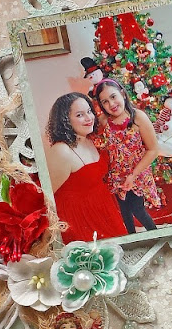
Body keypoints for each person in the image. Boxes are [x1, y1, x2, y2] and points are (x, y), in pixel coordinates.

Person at [45, 92, 127, 244]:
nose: (89, 118)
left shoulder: (88, 139)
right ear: (65, 120)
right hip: (79, 219)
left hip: (103, 209)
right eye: (80, 115)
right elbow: (46, 197)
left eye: (89, 111)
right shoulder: (61, 150)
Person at [93, 78, 160, 233]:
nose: (111, 104)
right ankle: (131, 237)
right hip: (117, 176)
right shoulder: (104, 121)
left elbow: (153, 150)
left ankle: (157, 235)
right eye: (105, 102)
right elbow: (95, 140)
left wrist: (133, 175)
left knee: (137, 208)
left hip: (137, 173)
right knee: (124, 211)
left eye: (113, 97)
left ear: (122, 94)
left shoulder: (138, 117)